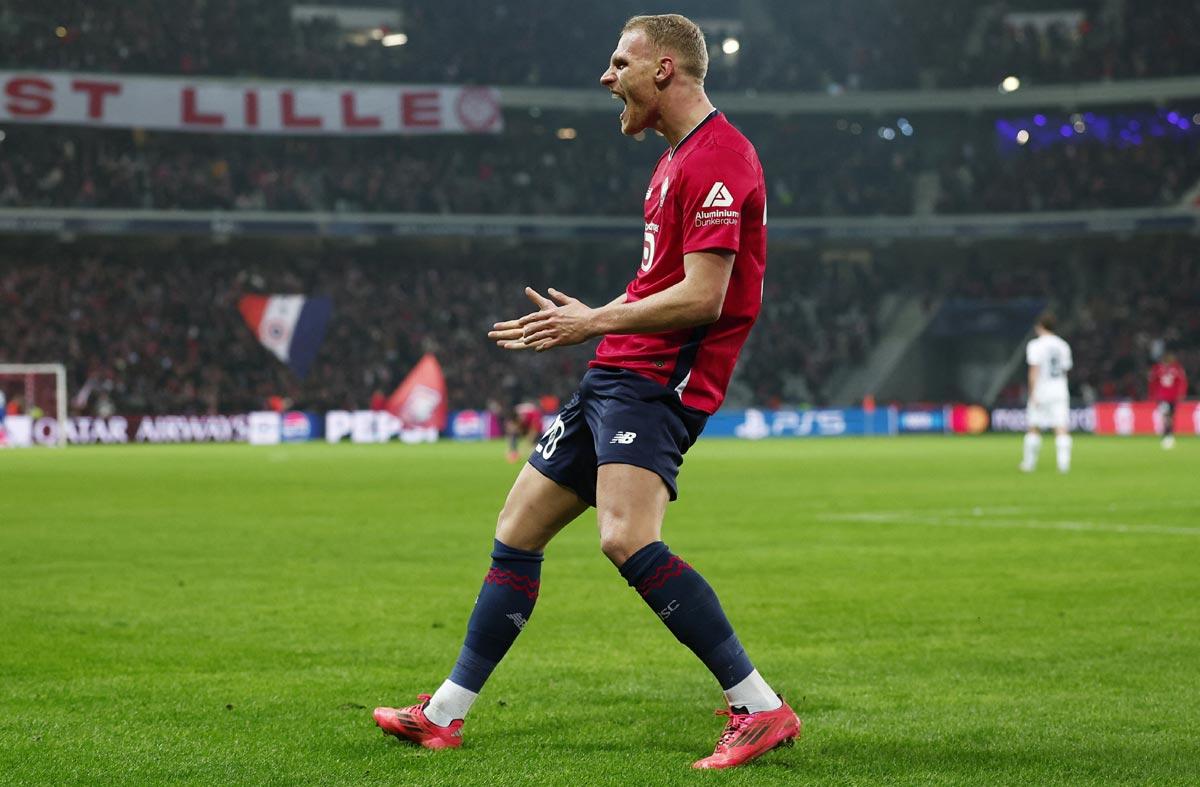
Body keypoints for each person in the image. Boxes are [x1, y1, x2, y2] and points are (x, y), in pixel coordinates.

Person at [373, 14, 798, 770]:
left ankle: (759, 705)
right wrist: (601, 330)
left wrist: (594, 319)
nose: (607, 78)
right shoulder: (674, 160)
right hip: (615, 372)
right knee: (518, 527)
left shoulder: (722, 157)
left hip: (660, 380)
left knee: (625, 536)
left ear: (663, 68)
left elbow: (705, 296)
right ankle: (443, 714)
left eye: (619, 62)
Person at [1020, 314, 1073, 473]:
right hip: (1059, 390)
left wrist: (1032, 392)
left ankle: (1029, 464)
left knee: (1034, 427)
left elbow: (1034, 370)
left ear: (1039, 326)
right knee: (1061, 427)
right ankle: (1063, 465)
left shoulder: (1035, 345)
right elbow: (1065, 370)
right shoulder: (1063, 345)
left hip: (1042, 389)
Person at [1148, 351, 1188, 449]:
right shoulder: (1161, 368)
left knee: (1170, 416)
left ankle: (1168, 434)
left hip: (1171, 397)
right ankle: (1167, 434)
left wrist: (1181, 393)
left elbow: (1182, 382)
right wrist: (1153, 394)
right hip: (1163, 397)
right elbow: (1153, 382)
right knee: (1167, 415)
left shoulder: (1173, 368)